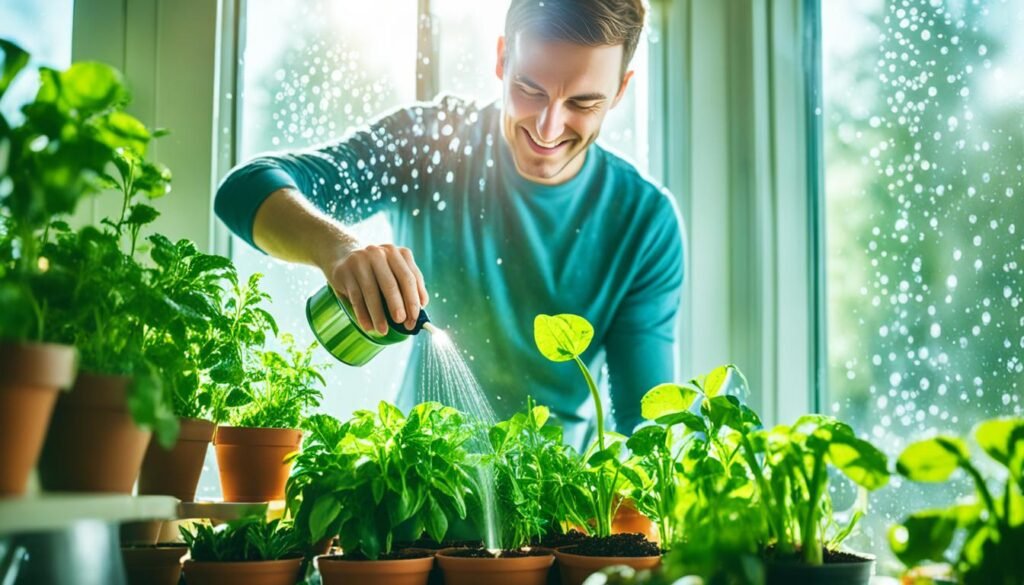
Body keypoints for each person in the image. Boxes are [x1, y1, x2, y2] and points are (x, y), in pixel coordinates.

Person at [215, 0, 685, 448]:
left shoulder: (645, 224)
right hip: (412, 503)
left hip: (559, 522)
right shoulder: (432, 143)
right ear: (503, 58)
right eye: (530, 89)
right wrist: (336, 249)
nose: (547, 127)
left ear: (620, 91)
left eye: (582, 104)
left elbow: (646, 428)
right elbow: (244, 189)